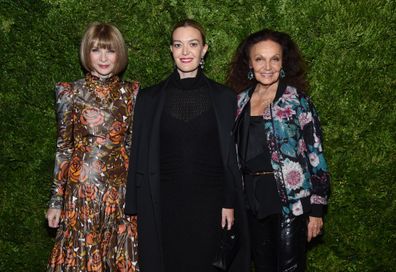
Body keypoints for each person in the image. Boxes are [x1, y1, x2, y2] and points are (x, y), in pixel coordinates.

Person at [124, 19, 249, 272]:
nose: (185, 52)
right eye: (178, 45)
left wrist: (229, 201)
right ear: (171, 50)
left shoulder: (225, 98)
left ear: (204, 49)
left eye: (193, 44)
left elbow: (231, 158)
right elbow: (138, 152)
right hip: (163, 202)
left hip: (211, 205)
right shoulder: (149, 98)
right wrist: (133, 207)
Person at [227, 29, 331, 272]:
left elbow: (316, 155)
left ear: (283, 62)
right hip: (252, 201)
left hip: (290, 202)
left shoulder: (297, 101)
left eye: (275, 58)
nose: (267, 66)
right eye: (259, 59)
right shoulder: (239, 102)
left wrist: (316, 210)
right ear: (249, 64)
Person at [46, 22, 139, 272]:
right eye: (96, 50)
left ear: (119, 54)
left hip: (120, 196)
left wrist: (139, 193)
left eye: (110, 50)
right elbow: (64, 147)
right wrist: (56, 200)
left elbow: (132, 145)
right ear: (87, 53)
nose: (103, 58)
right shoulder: (70, 92)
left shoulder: (132, 93)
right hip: (81, 194)